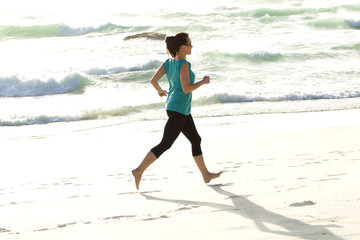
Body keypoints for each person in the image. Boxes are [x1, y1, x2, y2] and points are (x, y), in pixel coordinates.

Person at [132, 32, 222, 190]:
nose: (192, 46)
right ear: (183, 47)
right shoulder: (183, 64)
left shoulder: (168, 62)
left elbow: (153, 81)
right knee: (165, 144)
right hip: (179, 109)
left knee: (195, 139)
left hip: (178, 108)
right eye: (190, 43)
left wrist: (160, 90)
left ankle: (206, 175)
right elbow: (187, 89)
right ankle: (139, 170)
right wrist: (203, 82)